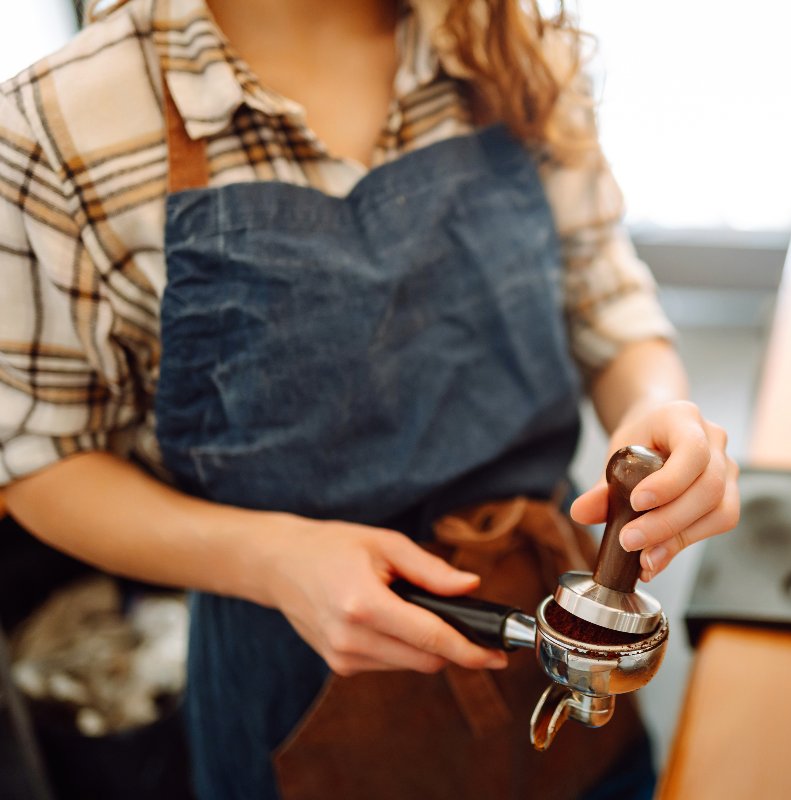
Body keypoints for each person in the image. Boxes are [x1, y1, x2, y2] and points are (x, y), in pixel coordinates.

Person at [0, 0, 740, 797]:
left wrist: (656, 412)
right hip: (291, 692)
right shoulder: (56, 124)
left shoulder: (501, 35)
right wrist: (272, 560)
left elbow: (605, 300)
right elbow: (41, 459)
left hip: (546, 620)